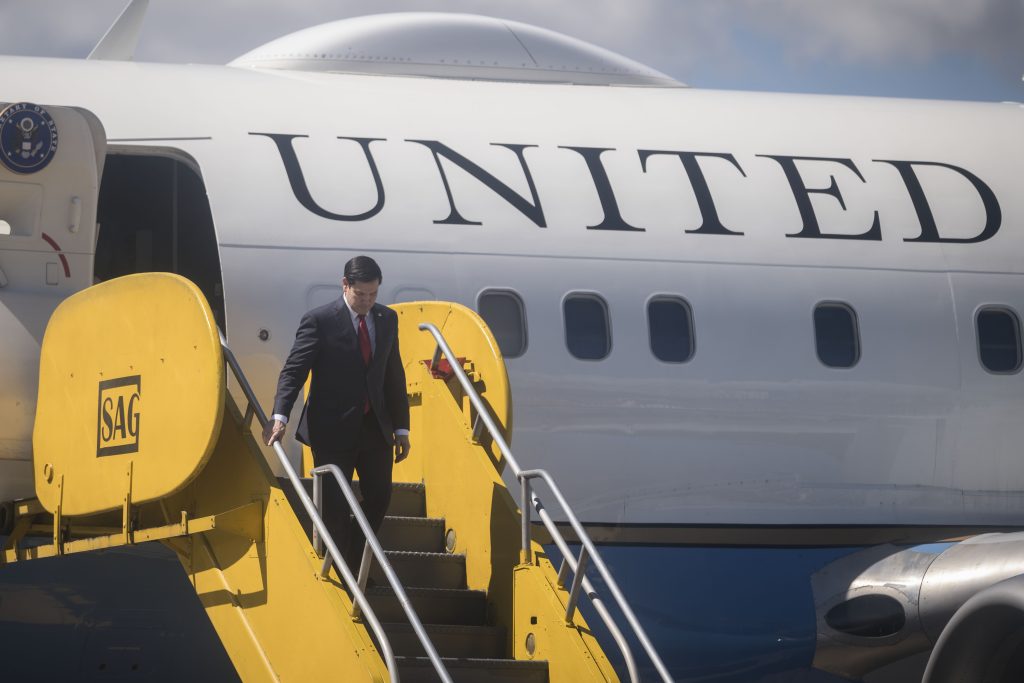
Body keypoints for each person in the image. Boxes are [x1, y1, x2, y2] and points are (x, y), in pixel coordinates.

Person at [263, 255, 410, 572]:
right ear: (345, 285)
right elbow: (294, 372)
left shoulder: (387, 319)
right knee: (334, 507)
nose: (368, 302)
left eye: (373, 294)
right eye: (361, 295)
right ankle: (344, 574)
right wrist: (280, 416)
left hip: (375, 428)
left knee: (379, 497)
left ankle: (355, 559)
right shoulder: (320, 320)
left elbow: (393, 374)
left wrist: (402, 428)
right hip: (332, 431)